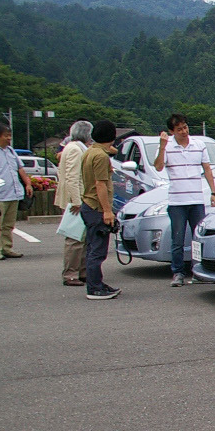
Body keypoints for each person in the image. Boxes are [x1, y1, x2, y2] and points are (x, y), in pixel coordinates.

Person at [153, 113, 215, 287]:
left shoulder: (199, 145)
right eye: (179, 129)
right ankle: (178, 272)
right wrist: (162, 146)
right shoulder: (167, 147)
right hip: (177, 201)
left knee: (198, 238)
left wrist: (213, 192)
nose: (184, 131)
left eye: (185, 127)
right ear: (171, 131)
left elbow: (207, 169)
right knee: (178, 239)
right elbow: (158, 166)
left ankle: (200, 272)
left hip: (196, 199)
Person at [80, 119, 121, 299]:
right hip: (96, 207)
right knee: (97, 250)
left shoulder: (91, 151)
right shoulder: (101, 157)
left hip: (87, 204)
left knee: (92, 248)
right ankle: (95, 287)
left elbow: (111, 150)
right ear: (112, 136)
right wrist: (107, 211)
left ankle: (96, 283)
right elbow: (101, 185)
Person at [55, 120, 92, 283]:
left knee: (82, 237)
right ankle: (70, 273)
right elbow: (72, 177)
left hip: (79, 198)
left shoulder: (73, 147)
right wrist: (77, 201)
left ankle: (81, 271)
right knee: (75, 238)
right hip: (76, 199)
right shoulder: (75, 150)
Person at [0, 121, 32, 258]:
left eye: (10, 135)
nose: (9, 138)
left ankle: (6, 248)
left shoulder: (11, 151)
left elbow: (20, 168)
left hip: (13, 193)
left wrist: (27, 183)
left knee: (8, 225)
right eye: (6, 135)